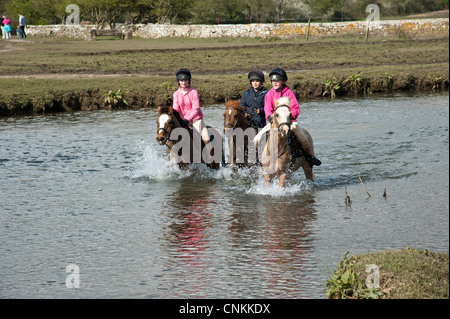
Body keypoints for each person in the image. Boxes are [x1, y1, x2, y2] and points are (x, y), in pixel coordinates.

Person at [254, 67, 321, 166]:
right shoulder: (269, 95)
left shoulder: (289, 93)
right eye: (273, 81)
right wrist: (270, 118)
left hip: (289, 122)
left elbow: (295, 108)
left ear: (283, 82)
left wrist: (288, 118)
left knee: (303, 138)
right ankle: (260, 160)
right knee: (256, 139)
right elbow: (268, 109)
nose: (275, 83)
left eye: (277, 81)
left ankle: (308, 157)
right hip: (274, 123)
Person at [173, 68, 213, 160]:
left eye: (185, 80)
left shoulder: (193, 92)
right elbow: (176, 108)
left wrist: (187, 119)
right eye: (181, 80)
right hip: (182, 121)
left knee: (202, 137)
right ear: (178, 81)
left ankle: (209, 156)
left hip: (196, 119)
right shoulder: (176, 94)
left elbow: (196, 108)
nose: (184, 82)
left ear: (189, 80)